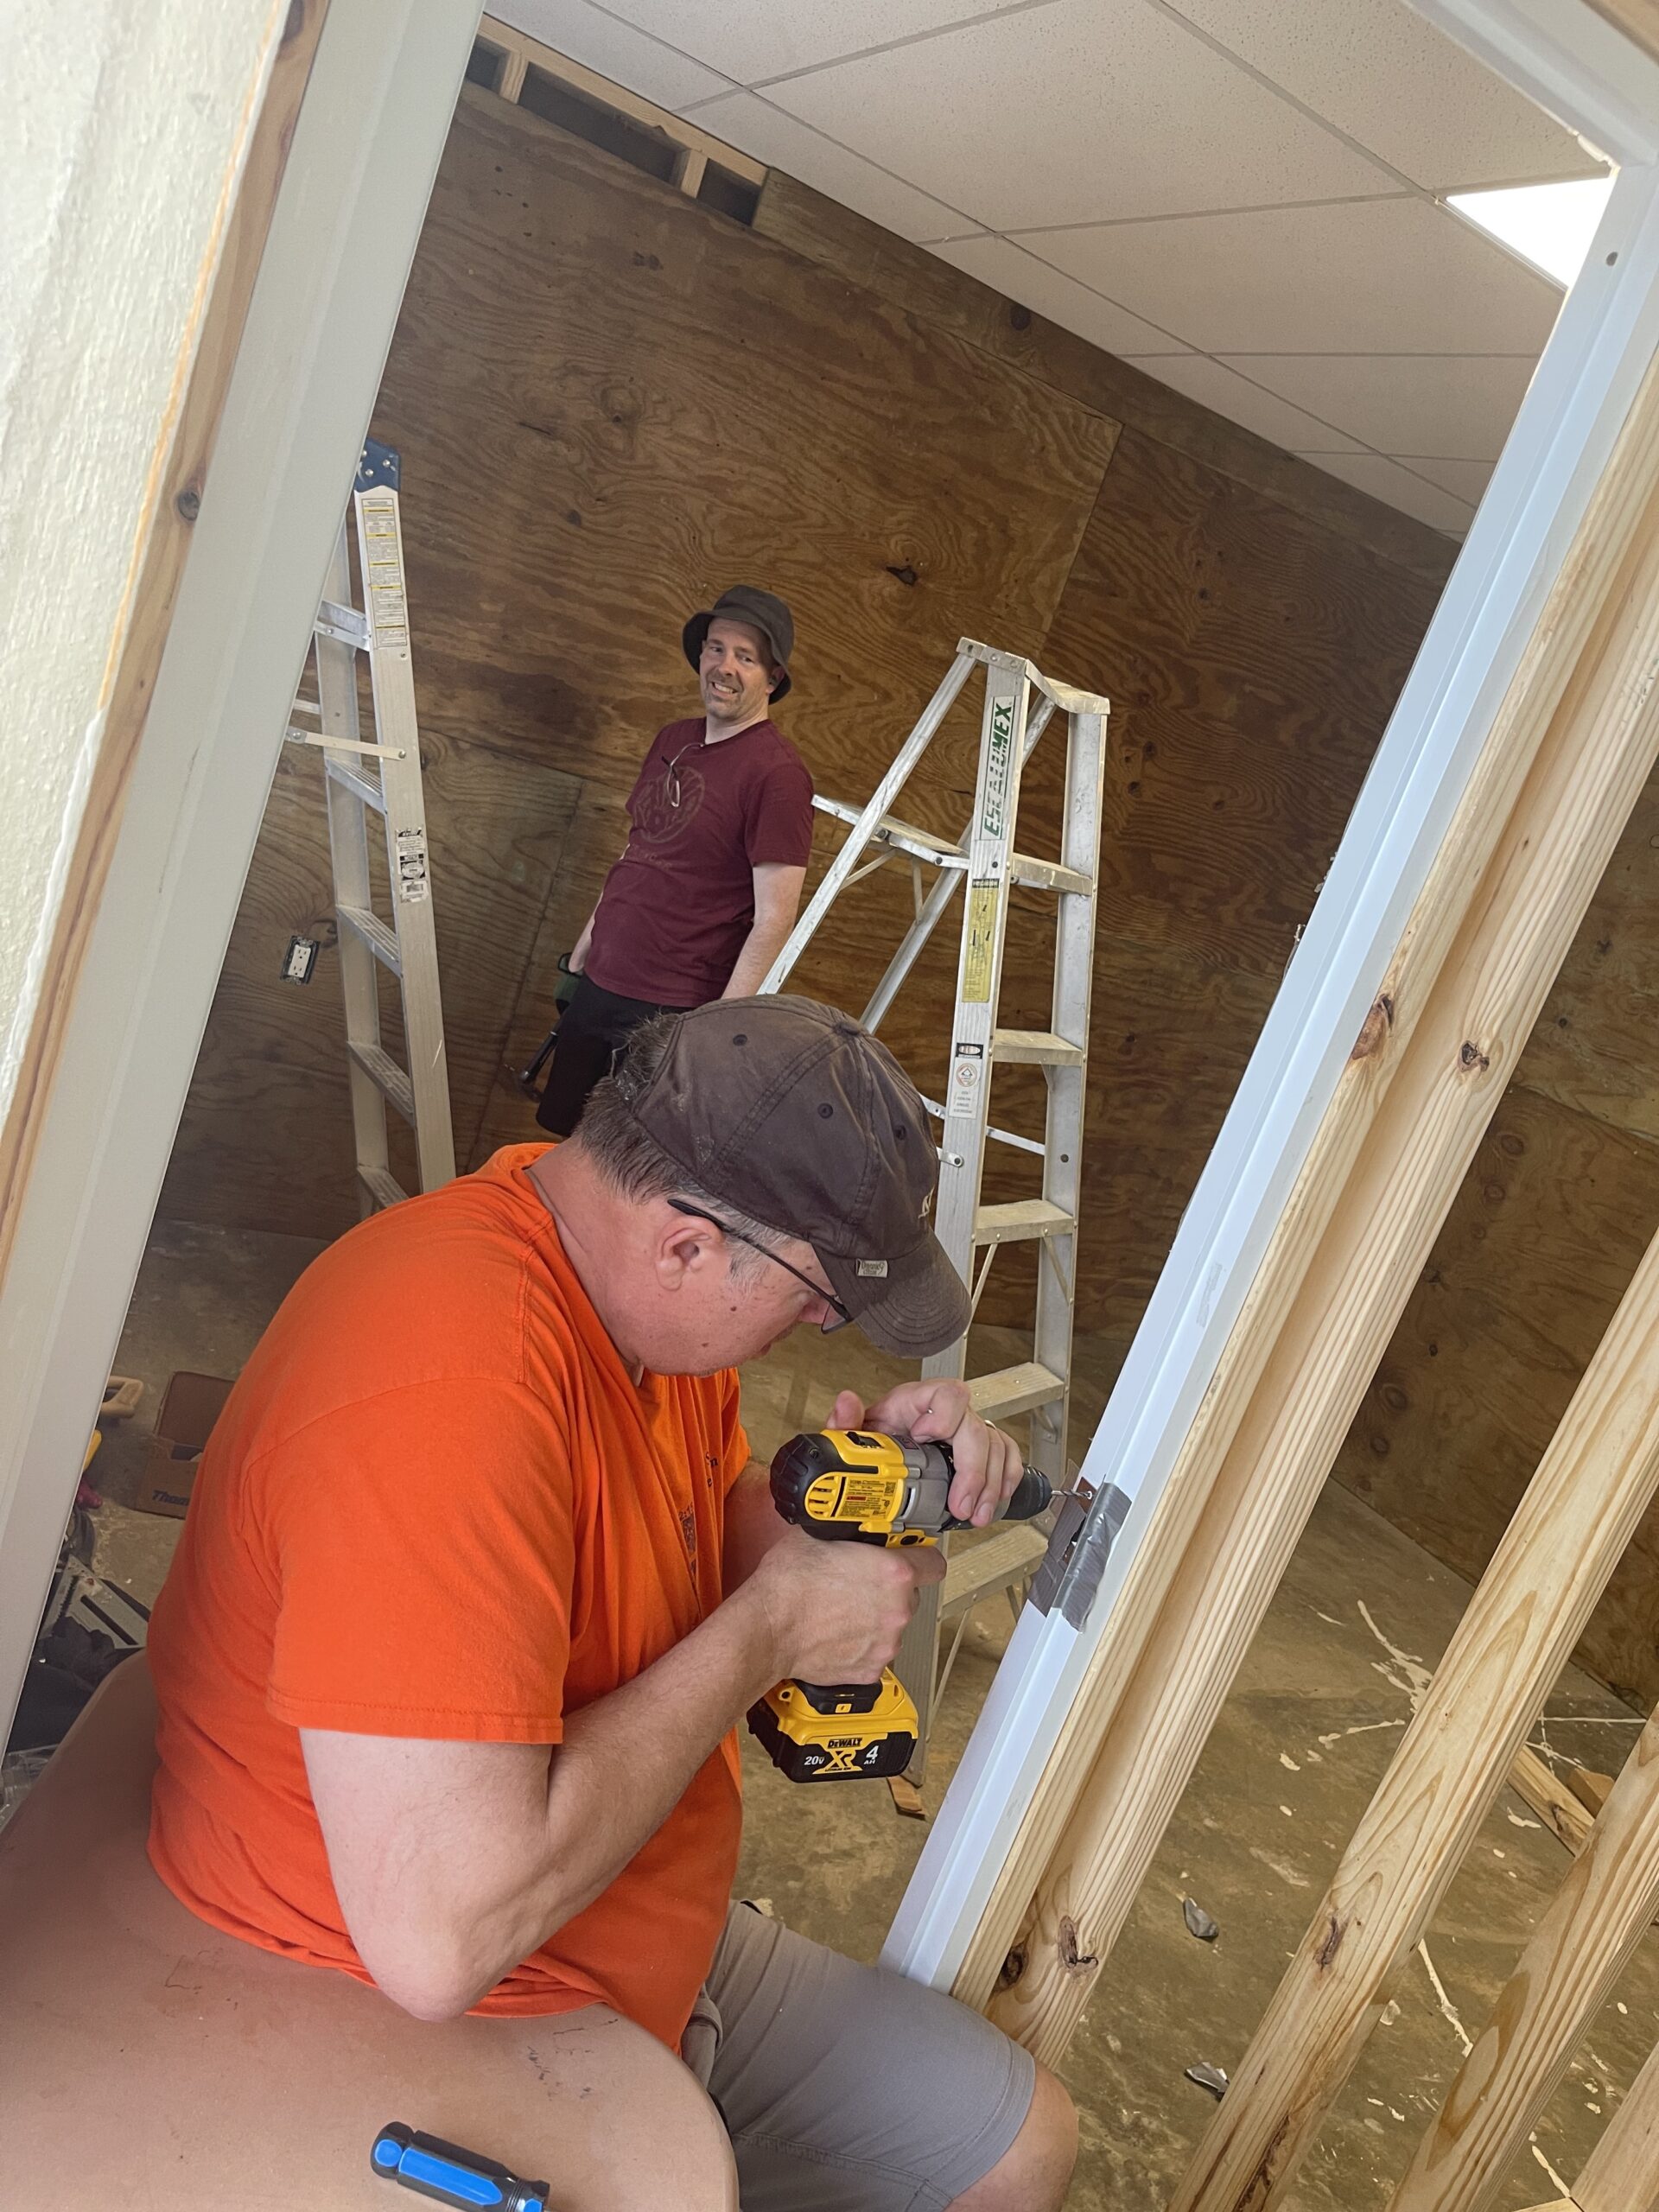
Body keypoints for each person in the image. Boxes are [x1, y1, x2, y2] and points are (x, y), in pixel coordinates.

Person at [144, 995, 1078, 2211]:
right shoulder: (449, 1386)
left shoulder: (625, 1295)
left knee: (1016, 2147)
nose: (827, 1327)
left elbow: (683, 1518)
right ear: (686, 1242)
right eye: (821, 1295)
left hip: (621, 1911)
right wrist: (778, 1631)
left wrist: (860, 1503)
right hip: (401, 1982)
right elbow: (441, 1938)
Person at [535, 585, 815, 1139]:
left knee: (632, 1168)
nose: (724, 667)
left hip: (672, 1008)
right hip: (603, 979)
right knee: (564, 1141)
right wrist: (589, 941)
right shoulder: (673, 738)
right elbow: (641, 844)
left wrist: (720, 1028)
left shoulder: (778, 775)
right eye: (716, 649)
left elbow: (775, 916)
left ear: (773, 678)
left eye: (746, 657)